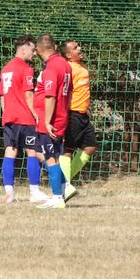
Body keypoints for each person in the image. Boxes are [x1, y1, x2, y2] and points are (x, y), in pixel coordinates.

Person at [0, 35, 41, 203]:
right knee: (32, 152)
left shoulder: (6, 69)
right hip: (25, 118)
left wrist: (6, 114)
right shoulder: (26, 69)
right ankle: (34, 192)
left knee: (10, 152)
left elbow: (2, 96)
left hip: (9, 118)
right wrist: (37, 116)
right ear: (23, 49)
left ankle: (9, 193)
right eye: (32, 50)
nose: (34, 53)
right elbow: (29, 95)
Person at [32, 34, 73, 210]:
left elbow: (50, 96)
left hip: (50, 120)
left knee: (50, 158)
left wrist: (47, 121)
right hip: (61, 116)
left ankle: (57, 197)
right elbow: (69, 92)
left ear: (39, 50)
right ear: (55, 47)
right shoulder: (66, 65)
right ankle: (63, 190)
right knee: (50, 155)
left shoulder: (51, 68)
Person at [61, 40, 95, 197]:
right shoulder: (68, 69)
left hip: (83, 114)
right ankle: (63, 186)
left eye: (79, 46)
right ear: (68, 55)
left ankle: (65, 182)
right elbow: (64, 92)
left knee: (90, 147)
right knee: (68, 150)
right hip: (72, 114)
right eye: (75, 48)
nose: (80, 48)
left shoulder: (82, 67)